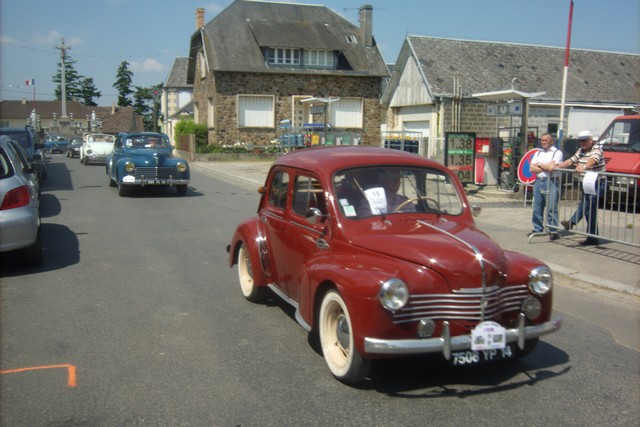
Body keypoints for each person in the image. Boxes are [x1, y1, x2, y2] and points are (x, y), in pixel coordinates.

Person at [555, 130, 606, 246]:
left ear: (590, 140)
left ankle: (572, 221)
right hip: (587, 182)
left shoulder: (596, 148)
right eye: (580, 140)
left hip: (598, 183)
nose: (582, 143)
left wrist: (584, 166)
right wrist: (557, 167)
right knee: (589, 212)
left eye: (584, 140)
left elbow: (593, 160)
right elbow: (571, 160)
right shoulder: (581, 150)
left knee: (588, 202)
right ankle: (593, 238)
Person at [529, 133, 563, 240]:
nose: (543, 142)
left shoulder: (557, 153)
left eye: (546, 140)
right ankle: (537, 228)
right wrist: (545, 167)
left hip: (551, 181)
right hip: (539, 181)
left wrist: (539, 165)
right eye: (542, 140)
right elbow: (531, 168)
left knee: (552, 207)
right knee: (537, 206)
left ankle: (553, 230)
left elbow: (552, 167)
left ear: (552, 141)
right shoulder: (538, 152)